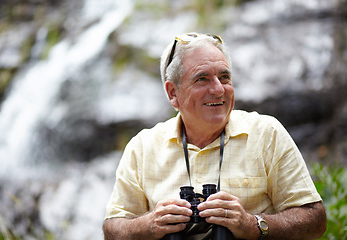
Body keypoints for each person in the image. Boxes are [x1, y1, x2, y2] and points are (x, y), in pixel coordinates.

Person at [102, 32, 326, 240]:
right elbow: (112, 229)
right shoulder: (142, 147)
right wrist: (149, 225)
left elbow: (315, 219)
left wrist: (252, 224)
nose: (218, 89)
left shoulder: (266, 133)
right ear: (173, 93)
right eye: (202, 79)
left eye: (224, 77)